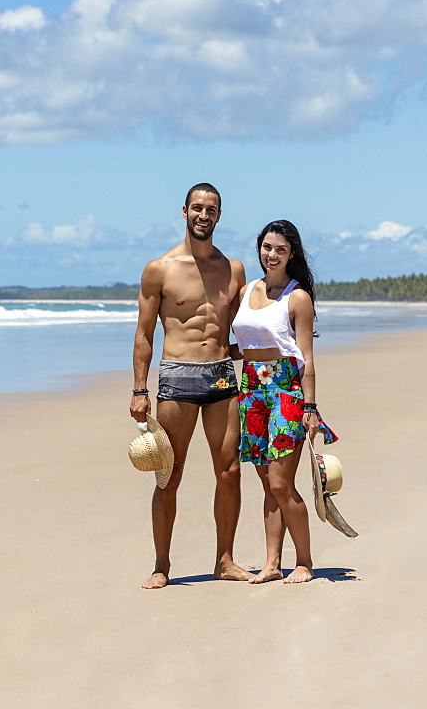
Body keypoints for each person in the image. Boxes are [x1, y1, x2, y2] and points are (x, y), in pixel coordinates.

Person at [130, 183, 253, 589]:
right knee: (169, 474)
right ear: (184, 211)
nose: (204, 215)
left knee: (230, 472)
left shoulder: (234, 269)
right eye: (197, 208)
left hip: (220, 375)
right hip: (178, 377)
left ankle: (225, 560)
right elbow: (145, 334)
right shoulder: (159, 269)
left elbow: (240, 329)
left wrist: (279, 345)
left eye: (211, 209)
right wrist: (138, 389)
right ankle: (161, 565)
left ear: (219, 215)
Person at [232, 220, 338, 583]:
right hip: (250, 390)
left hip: (285, 392)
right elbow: (243, 342)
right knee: (266, 483)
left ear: (292, 253)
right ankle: (272, 563)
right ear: (259, 248)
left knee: (280, 483)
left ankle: (304, 561)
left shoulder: (298, 297)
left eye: (280, 249)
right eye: (266, 247)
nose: (272, 254)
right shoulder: (246, 291)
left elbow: (306, 355)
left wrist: (310, 407)